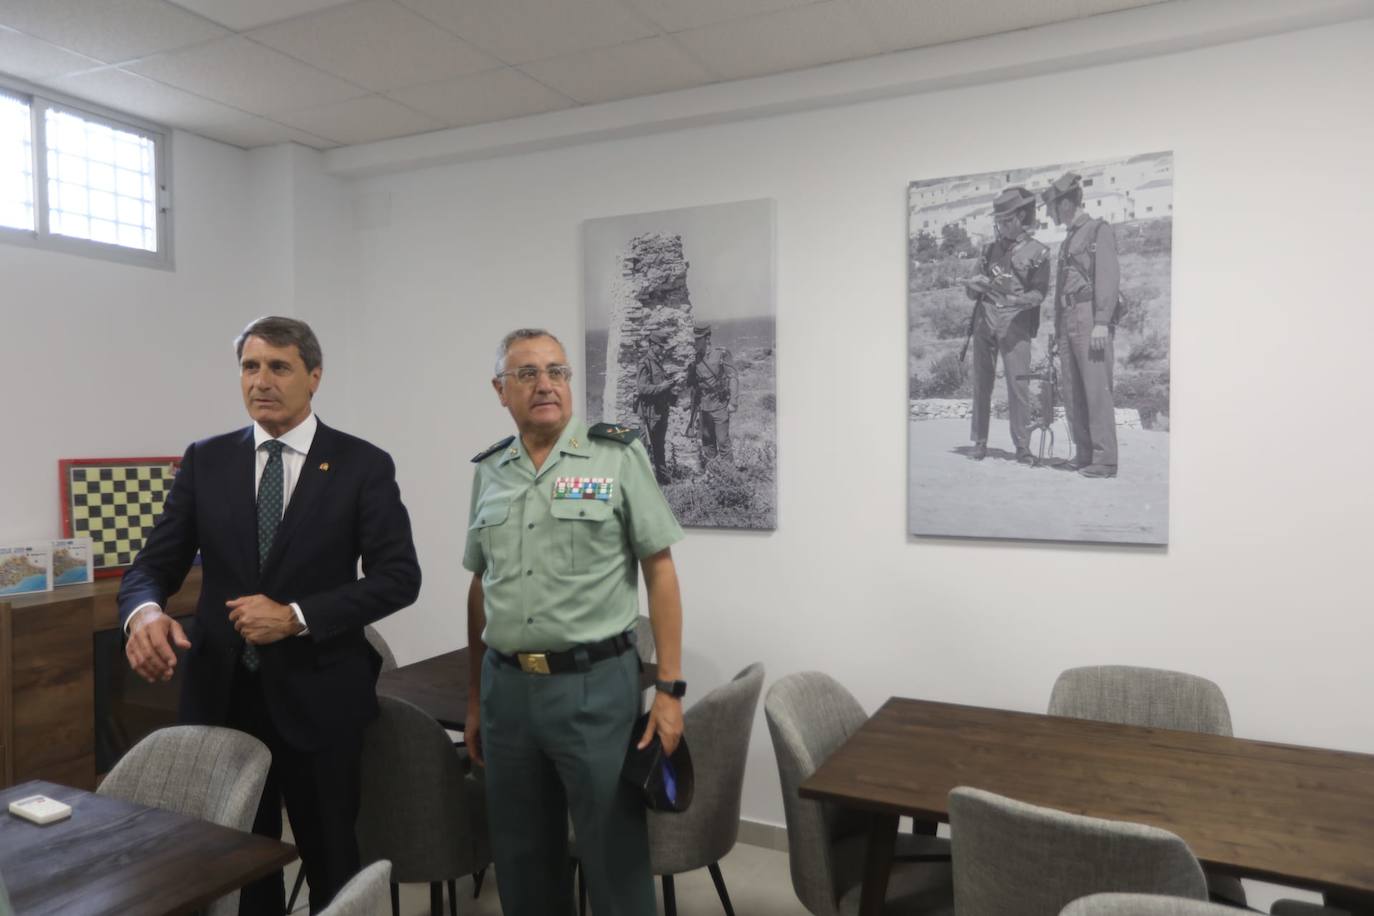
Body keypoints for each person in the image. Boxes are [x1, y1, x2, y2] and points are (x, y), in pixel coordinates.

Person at [117, 316, 421, 915]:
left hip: (321, 697)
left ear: (314, 377)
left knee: (332, 858)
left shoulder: (361, 464)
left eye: (278, 367)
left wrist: (298, 615)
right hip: (223, 698)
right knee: (234, 864)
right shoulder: (206, 461)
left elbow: (398, 578)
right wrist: (144, 614)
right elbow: (150, 567)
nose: (262, 381)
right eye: (250, 367)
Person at [463, 328, 687, 916]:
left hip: (594, 688)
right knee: (520, 857)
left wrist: (669, 689)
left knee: (613, 856)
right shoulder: (491, 470)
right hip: (506, 690)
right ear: (500, 390)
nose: (546, 385)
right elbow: (480, 584)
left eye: (557, 372)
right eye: (528, 374)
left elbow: (660, 572)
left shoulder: (616, 455)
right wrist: (474, 699)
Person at [961, 186, 1050, 463]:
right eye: (998, 221)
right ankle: (979, 441)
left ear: (1022, 216)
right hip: (985, 322)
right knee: (981, 385)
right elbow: (970, 291)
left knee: (1018, 386)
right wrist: (976, 286)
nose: (1001, 226)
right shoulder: (989, 251)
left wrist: (1014, 298)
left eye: (1006, 220)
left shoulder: (1039, 252)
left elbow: (1039, 294)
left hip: (1016, 325)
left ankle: (1022, 447)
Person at [1043, 172, 1121, 478]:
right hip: (1068, 318)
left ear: (1064, 204)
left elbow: (1108, 277)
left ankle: (1105, 460)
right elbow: (1062, 285)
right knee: (1073, 389)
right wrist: (1057, 325)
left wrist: (1102, 321)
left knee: (1096, 390)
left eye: (1051, 206)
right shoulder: (1069, 239)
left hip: (1090, 317)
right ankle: (1084, 452)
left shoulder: (1097, 230)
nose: (1049, 213)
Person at [686, 321, 738, 465]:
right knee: (708, 443)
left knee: (723, 442)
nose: (694, 342)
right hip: (704, 407)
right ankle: (713, 475)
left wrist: (733, 402)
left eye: (698, 339)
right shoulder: (695, 360)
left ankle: (730, 477)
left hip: (720, 405)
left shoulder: (721, 353)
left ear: (707, 339)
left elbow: (733, 377)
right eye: (694, 339)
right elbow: (692, 385)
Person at [635, 327, 677, 484]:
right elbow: (642, 388)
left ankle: (663, 479)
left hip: (659, 411)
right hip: (648, 413)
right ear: (652, 345)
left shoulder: (658, 363)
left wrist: (670, 385)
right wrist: (664, 386)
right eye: (660, 346)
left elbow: (658, 384)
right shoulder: (644, 363)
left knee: (659, 446)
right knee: (645, 448)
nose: (663, 349)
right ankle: (643, 483)